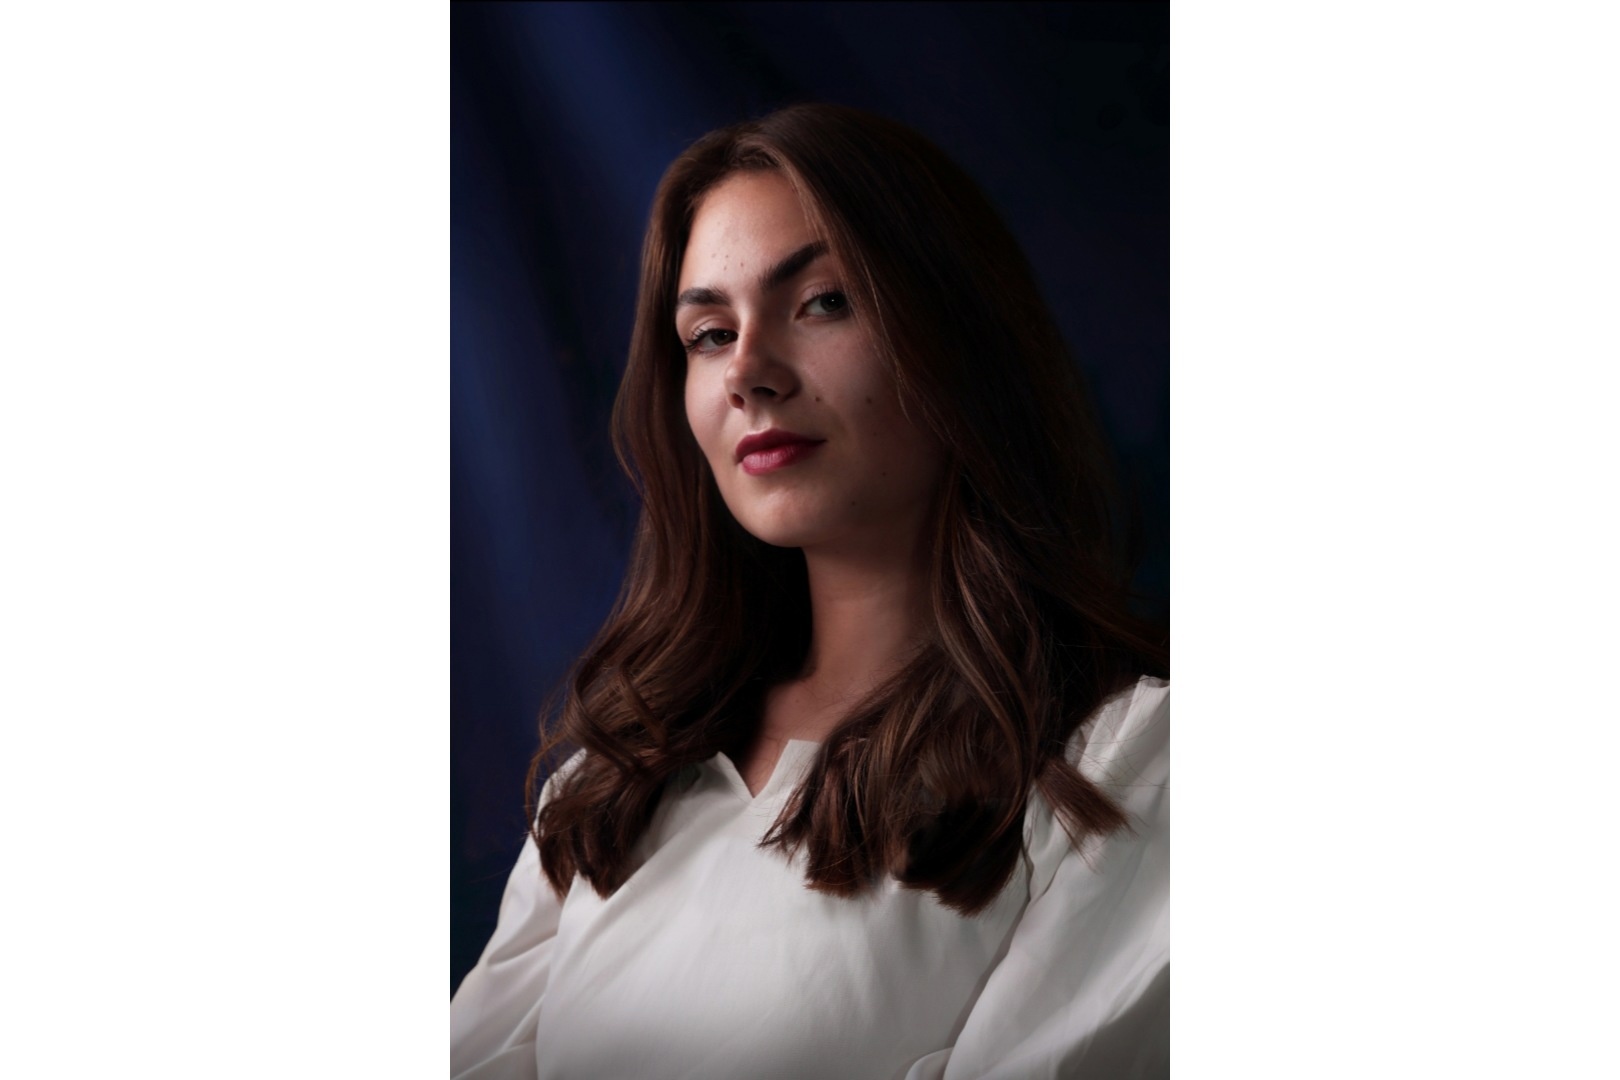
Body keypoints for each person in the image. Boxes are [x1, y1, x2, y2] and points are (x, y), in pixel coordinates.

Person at [450, 103, 1169, 1079]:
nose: (747, 372)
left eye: (823, 302)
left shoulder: (1126, 765)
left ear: (961, 334)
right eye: (709, 333)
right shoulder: (611, 783)